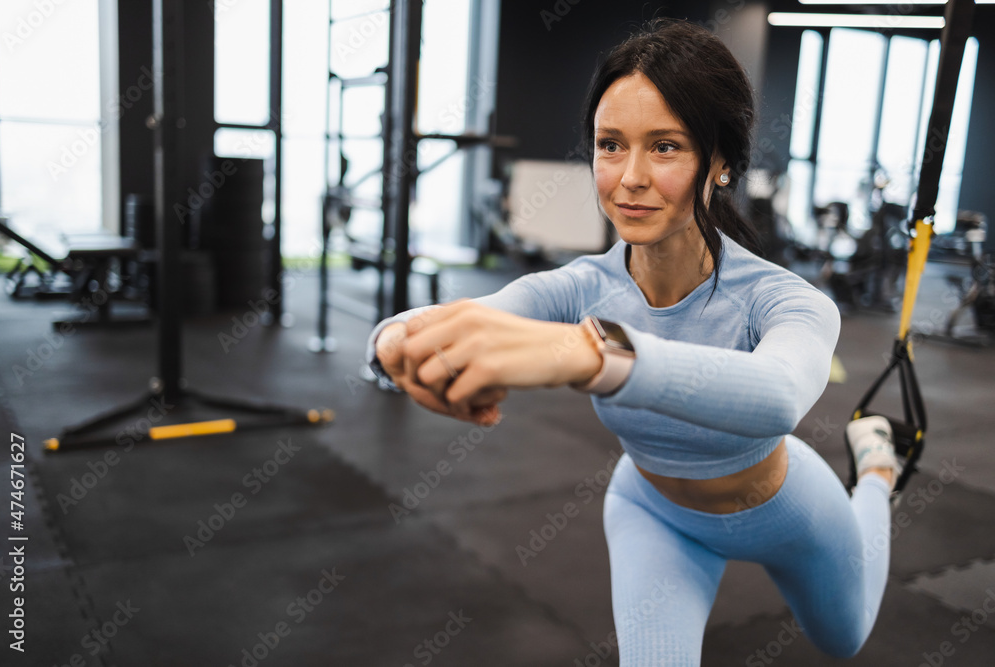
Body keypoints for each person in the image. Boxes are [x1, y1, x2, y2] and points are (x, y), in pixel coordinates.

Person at [365, 19, 900, 666]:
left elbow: (779, 396)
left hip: (786, 509)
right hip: (656, 512)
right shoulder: (580, 285)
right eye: (611, 144)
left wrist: (595, 355)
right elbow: (455, 317)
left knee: (844, 640)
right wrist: (393, 340)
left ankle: (876, 469)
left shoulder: (784, 299)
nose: (630, 177)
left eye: (666, 147)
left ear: (722, 163)